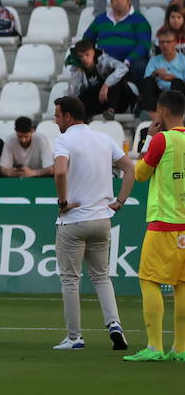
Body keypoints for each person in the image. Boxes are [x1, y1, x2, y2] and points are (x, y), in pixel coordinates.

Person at [51, 95, 135, 351]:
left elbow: (60, 171)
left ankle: (75, 337)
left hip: (74, 220)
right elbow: (130, 169)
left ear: (68, 115)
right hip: (102, 219)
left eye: (57, 115)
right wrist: (120, 201)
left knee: (70, 280)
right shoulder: (103, 139)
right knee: (101, 277)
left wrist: (63, 202)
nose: (55, 121)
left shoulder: (64, 140)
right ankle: (115, 324)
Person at [124, 89, 185, 360]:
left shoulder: (162, 140)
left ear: (164, 112)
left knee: (148, 280)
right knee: (182, 285)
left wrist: (148, 138)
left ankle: (154, 347)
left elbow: (139, 174)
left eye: (157, 111)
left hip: (164, 222)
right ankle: (180, 349)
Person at [85, 0, 152, 83]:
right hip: (104, 59)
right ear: (111, 1)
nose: (119, 1)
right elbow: (87, 39)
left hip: (130, 60)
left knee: (140, 66)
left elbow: (144, 45)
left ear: (128, 1)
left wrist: (128, 60)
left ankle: (139, 96)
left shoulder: (139, 20)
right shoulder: (101, 19)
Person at [68, 36, 135, 117]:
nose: (84, 58)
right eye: (81, 56)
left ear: (93, 52)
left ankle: (111, 111)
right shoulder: (77, 69)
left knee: (116, 80)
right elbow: (73, 94)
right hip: (98, 102)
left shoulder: (103, 60)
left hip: (117, 100)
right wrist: (77, 73)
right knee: (81, 97)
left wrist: (106, 85)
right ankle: (86, 117)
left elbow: (123, 68)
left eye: (87, 55)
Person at [142, 29, 185, 110]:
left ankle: (176, 112)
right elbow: (146, 81)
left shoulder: (183, 60)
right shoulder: (154, 60)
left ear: (175, 42)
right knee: (149, 81)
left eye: (168, 42)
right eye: (161, 42)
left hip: (178, 93)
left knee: (177, 82)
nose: (165, 45)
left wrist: (174, 78)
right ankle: (153, 111)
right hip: (159, 93)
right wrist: (154, 73)